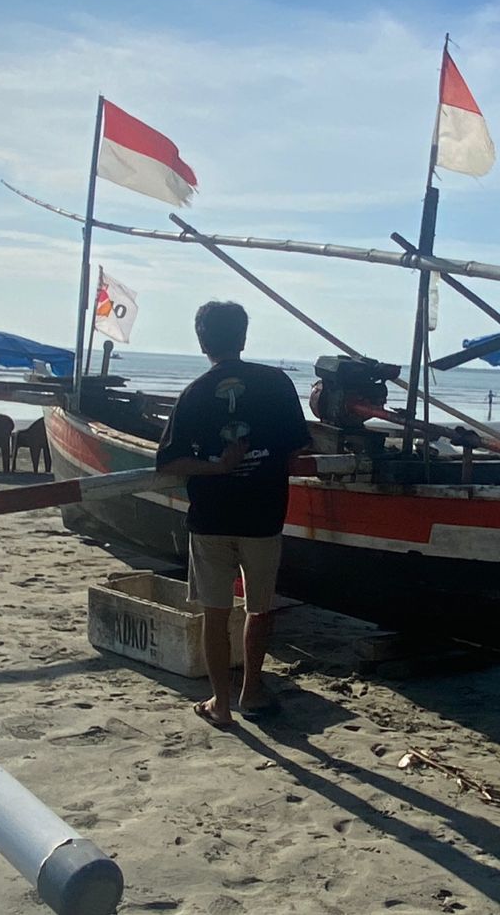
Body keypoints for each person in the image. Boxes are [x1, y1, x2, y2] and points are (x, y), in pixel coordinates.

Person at [155, 301, 311, 729]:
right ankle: (252, 689)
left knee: (216, 613)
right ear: (243, 337)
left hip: (212, 519)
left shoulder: (194, 393)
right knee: (259, 608)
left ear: (202, 342)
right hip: (263, 515)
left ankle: (220, 703)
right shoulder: (276, 384)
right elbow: (298, 445)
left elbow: (168, 462)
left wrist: (218, 468)